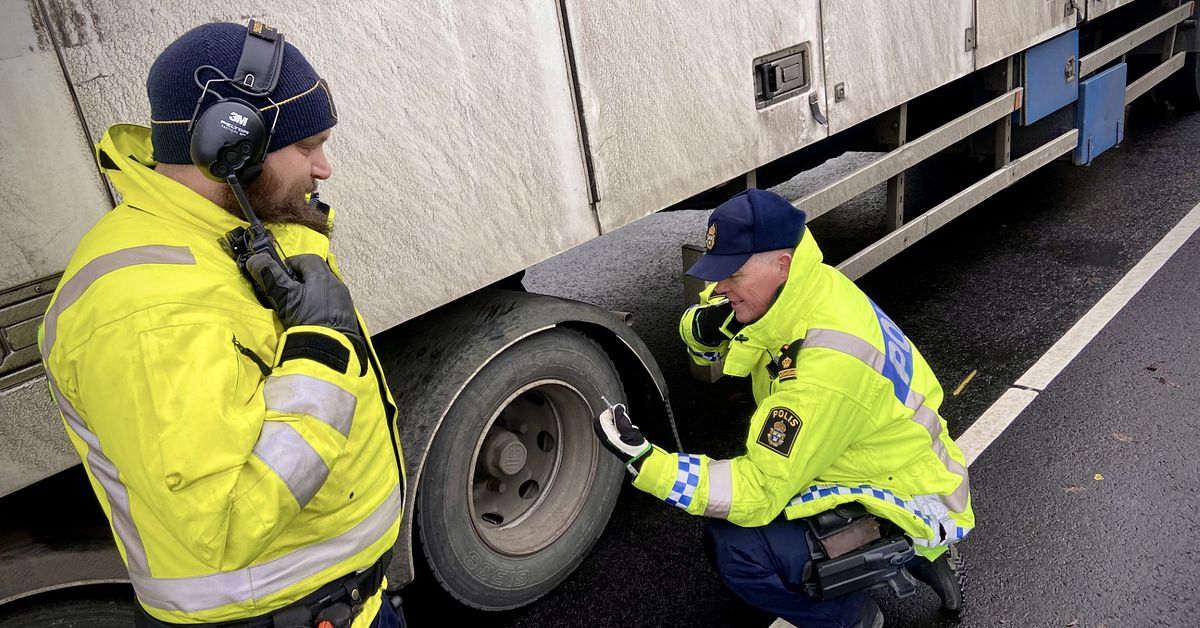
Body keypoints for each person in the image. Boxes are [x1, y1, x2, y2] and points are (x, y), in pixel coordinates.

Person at [38, 20, 406, 628]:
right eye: (308, 146)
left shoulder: (249, 224)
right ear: (230, 147)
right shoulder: (146, 313)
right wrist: (321, 348)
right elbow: (226, 520)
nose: (324, 168)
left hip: (349, 601)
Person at [593, 188, 973, 628]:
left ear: (782, 264)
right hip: (889, 462)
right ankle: (929, 554)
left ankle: (854, 616)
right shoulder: (808, 289)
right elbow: (710, 315)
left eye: (732, 274)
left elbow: (758, 490)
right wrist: (705, 327)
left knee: (736, 546)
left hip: (901, 494)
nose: (720, 287)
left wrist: (648, 463)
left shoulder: (826, 367)